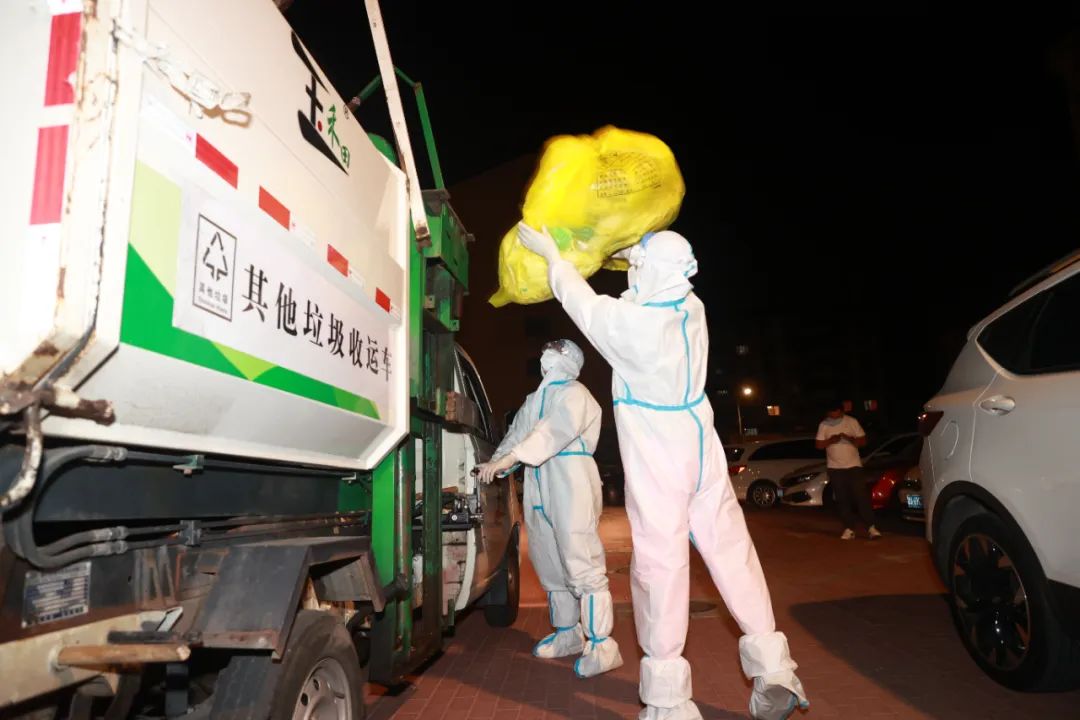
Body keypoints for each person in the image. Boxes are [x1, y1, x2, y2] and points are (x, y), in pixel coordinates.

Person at [516, 224, 808, 720]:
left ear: (652, 271)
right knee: (732, 552)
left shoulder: (633, 328)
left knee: (661, 567)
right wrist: (632, 249)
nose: (631, 272)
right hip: (702, 443)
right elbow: (647, 284)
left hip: (659, 451)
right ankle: (774, 668)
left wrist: (553, 256)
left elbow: (584, 304)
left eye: (637, 266)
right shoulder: (692, 307)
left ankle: (669, 701)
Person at [476, 339, 623, 678]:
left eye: (553, 351)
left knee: (579, 556)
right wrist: (497, 462)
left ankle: (602, 644)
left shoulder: (576, 394)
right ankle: (567, 633)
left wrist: (513, 457)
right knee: (548, 559)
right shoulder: (534, 399)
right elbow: (517, 434)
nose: (545, 357)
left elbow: (552, 431)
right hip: (538, 478)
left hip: (571, 476)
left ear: (568, 359)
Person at [815, 401, 881, 540]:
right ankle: (849, 528)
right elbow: (819, 445)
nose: (832, 416)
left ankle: (871, 527)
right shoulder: (824, 425)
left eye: (835, 413)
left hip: (853, 466)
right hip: (835, 468)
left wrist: (849, 438)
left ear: (841, 411)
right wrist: (831, 440)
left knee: (861, 497)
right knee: (842, 499)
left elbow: (863, 441)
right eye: (830, 414)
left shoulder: (851, 422)